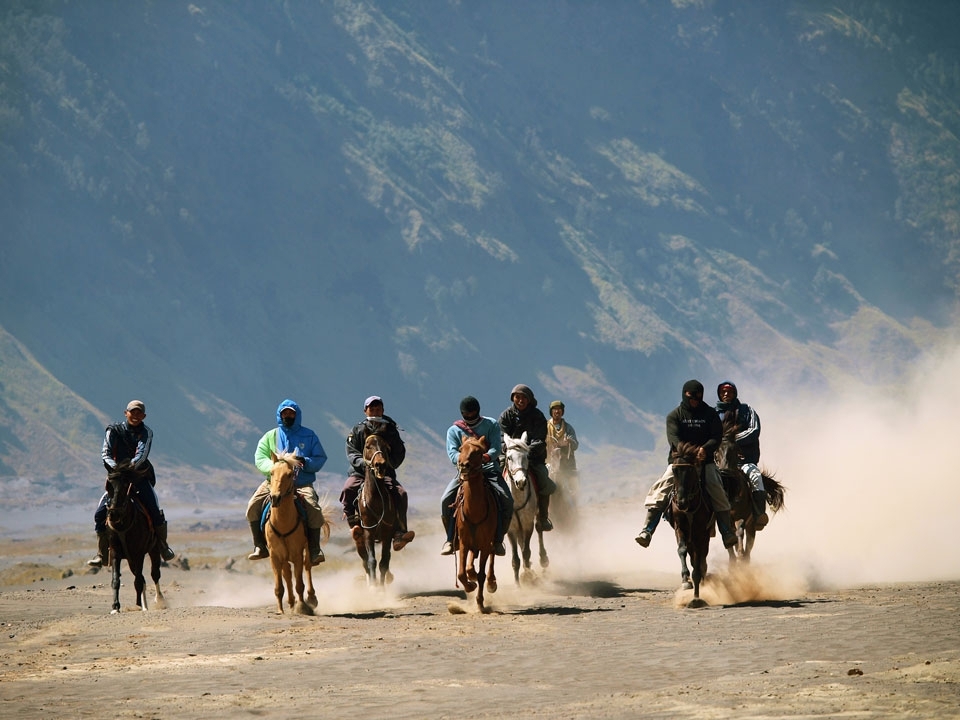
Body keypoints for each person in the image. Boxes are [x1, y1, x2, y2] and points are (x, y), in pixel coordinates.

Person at [635, 380, 738, 549]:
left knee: (717, 489)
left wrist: (705, 449)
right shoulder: (674, 416)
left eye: (698, 398)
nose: (695, 401)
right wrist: (689, 452)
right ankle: (647, 530)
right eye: (691, 398)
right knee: (661, 489)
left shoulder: (710, 414)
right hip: (680, 462)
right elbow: (674, 439)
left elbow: (716, 437)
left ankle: (726, 531)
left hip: (706, 462)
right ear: (684, 395)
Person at [88, 400, 176, 566]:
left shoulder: (146, 432)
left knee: (154, 510)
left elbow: (142, 455)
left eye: (139, 413)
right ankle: (102, 554)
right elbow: (105, 453)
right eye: (132, 412)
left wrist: (129, 468)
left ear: (144, 416)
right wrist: (118, 470)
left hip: (139, 478)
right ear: (125, 413)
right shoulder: (113, 430)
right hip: (118, 479)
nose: (135, 416)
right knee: (100, 513)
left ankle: (163, 546)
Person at [246, 399, 329, 565]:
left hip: (302, 483)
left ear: (297, 415)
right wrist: (277, 468)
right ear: (279, 415)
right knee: (252, 507)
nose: (288, 416)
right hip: (274, 483)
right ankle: (260, 546)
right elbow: (260, 457)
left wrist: (304, 461)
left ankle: (314, 549)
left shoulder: (309, 435)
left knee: (313, 509)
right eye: (285, 413)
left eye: (291, 413)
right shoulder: (270, 436)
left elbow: (320, 457)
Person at [440, 396, 513, 557]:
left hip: (488, 469)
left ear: (478, 412)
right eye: (467, 415)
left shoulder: (491, 424)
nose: (470, 417)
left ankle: (498, 539)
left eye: (473, 414)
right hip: (465, 472)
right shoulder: (454, 431)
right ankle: (450, 539)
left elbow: (496, 447)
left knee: (507, 500)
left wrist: (486, 457)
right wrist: (463, 461)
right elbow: (452, 452)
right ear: (462, 414)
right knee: (445, 500)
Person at [341, 395, 415, 551]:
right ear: (365, 411)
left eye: (378, 408)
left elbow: (399, 452)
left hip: (384, 473)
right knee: (348, 489)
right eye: (372, 409)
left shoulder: (390, 429)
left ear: (383, 410)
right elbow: (352, 452)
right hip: (361, 473)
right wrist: (364, 464)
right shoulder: (357, 430)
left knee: (401, 493)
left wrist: (387, 464)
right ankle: (354, 525)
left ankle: (400, 531)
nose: (375, 411)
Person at [498, 384, 556, 532]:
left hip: (532, 457)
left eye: (524, 397)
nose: (520, 400)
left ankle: (543, 518)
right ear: (513, 398)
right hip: (511, 457)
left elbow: (540, 439)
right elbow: (501, 436)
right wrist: (508, 448)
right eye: (517, 397)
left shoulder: (538, 416)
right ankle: (498, 517)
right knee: (494, 478)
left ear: (529, 400)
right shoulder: (506, 416)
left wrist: (526, 452)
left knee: (544, 480)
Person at [715, 381, 768, 529]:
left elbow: (754, 430)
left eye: (730, 391)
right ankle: (708, 521)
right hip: (720, 462)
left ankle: (759, 514)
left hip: (744, 461)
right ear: (719, 394)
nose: (726, 394)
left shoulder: (746, 410)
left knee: (756, 477)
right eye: (723, 391)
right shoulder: (713, 414)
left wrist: (731, 440)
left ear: (735, 393)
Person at [546, 399, 579, 487]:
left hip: (566, 464)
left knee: (570, 492)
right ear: (551, 411)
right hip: (548, 463)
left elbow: (575, 445)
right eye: (554, 409)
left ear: (562, 412)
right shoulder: (544, 427)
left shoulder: (568, 428)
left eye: (559, 409)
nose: (557, 411)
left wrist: (568, 442)